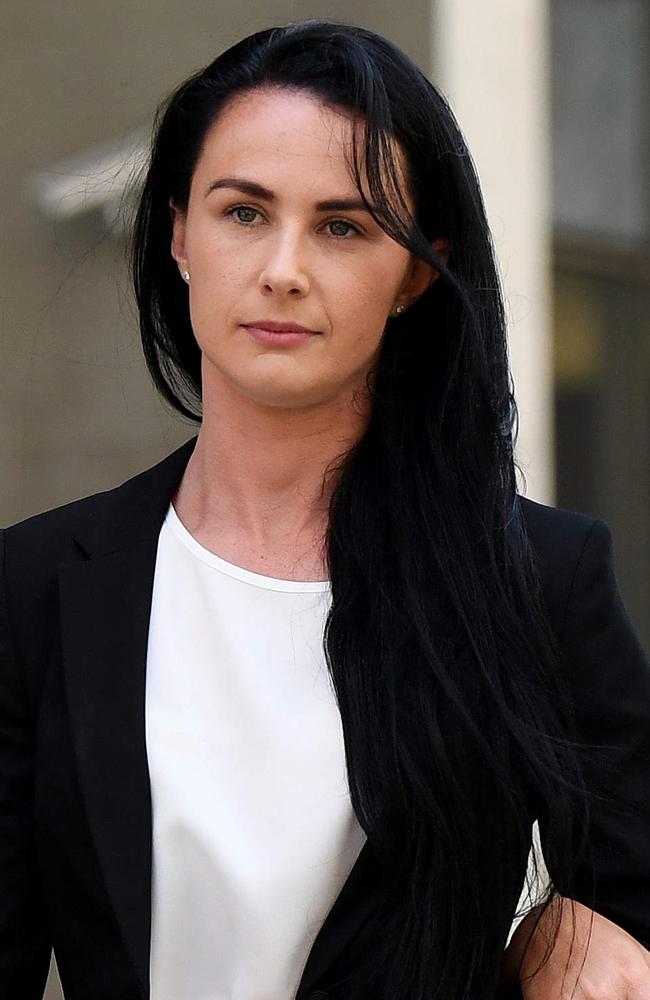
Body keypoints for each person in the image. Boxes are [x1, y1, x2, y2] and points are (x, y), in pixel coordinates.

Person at [1, 18, 649, 1000]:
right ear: (177, 232)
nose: (282, 269)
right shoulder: (37, 587)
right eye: (243, 212)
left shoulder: (534, 578)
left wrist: (572, 945)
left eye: (342, 226)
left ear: (417, 273)